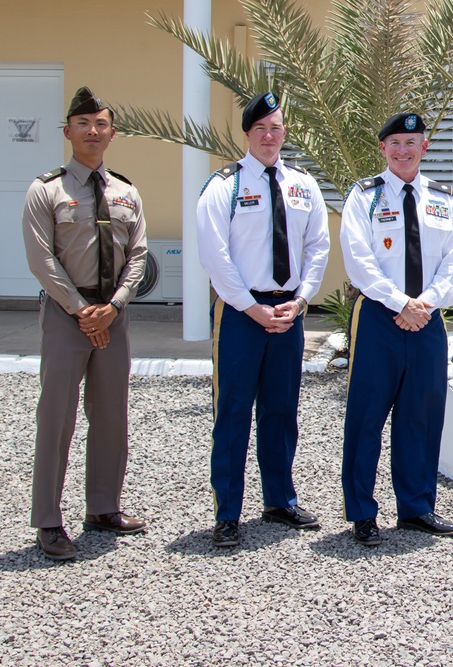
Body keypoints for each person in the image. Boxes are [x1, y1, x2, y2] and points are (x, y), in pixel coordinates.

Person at [196, 92, 329, 547]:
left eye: (276, 128)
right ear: (247, 135)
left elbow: (317, 247)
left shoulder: (303, 185)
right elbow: (214, 255)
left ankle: (279, 500)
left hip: (288, 311)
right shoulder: (224, 186)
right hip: (240, 313)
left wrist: (303, 299)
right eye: (260, 129)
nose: (269, 136)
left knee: (280, 411)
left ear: (284, 132)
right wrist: (250, 307)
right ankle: (227, 512)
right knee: (232, 413)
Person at [22, 86, 148, 560]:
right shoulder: (46, 190)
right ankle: (49, 521)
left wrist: (112, 308)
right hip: (64, 315)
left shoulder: (126, 191)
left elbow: (138, 256)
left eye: (101, 124)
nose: (93, 131)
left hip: (113, 316)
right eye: (83, 124)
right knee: (56, 417)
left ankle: (102, 507)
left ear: (112, 134)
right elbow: (42, 259)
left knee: (112, 415)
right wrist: (81, 311)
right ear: (68, 131)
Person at [340, 112, 453, 546]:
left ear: (424, 148)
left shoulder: (444, 198)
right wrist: (400, 303)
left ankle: (416, 507)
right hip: (379, 317)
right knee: (366, 417)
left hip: (427, 320)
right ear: (383, 148)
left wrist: (424, 305)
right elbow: (358, 260)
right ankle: (361, 512)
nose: (403, 150)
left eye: (411, 142)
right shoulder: (364, 196)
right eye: (395, 142)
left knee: (422, 417)